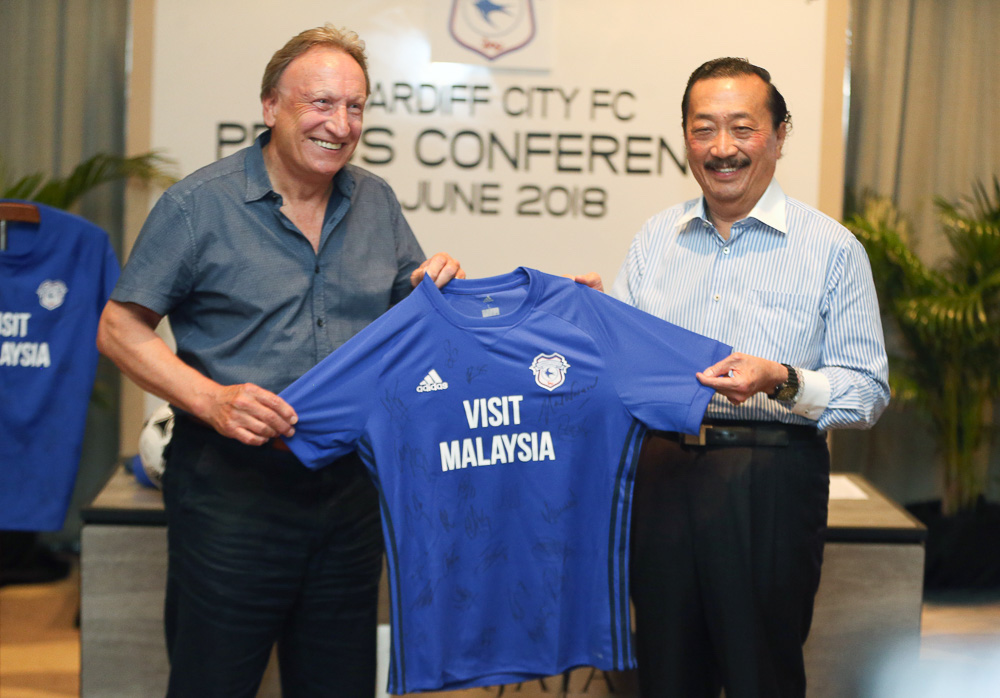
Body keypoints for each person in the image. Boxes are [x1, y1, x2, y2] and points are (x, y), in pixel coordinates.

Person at [97, 25, 462, 698]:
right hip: (232, 491)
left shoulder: (375, 201)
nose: (340, 123)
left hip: (350, 494)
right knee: (215, 681)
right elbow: (120, 327)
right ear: (271, 106)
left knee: (337, 682)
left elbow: (413, 317)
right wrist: (210, 399)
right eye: (321, 102)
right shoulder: (196, 207)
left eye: (355, 106)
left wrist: (438, 288)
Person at [601, 57, 890, 697]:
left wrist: (782, 380)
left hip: (770, 481)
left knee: (762, 675)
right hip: (663, 476)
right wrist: (595, 323)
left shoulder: (832, 250)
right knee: (664, 677)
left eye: (742, 128)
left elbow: (868, 390)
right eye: (704, 129)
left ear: (780, 135)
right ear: (685, 138)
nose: (722, 148)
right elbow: (623, 373)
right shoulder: (656, 240)